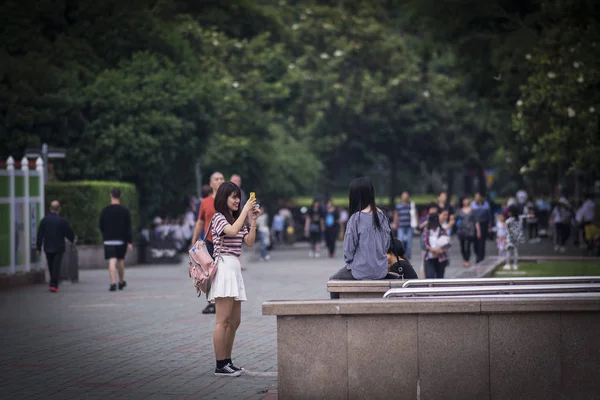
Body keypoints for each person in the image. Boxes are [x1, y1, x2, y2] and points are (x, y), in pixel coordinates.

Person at [208, 181, 258, 376]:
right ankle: (220, 364)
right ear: (224, 198)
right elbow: (230, 231)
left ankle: (227, 360)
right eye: (234, 197)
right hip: (224, 268)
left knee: (235, 321)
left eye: (239, 197)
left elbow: (250, 242)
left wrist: (252, 220)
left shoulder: (237, 219)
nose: (238, 200)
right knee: (223, 320)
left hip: (234, 269)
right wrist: (246, 210)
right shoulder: (219, 218)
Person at [329, 177, 394, 292]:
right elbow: (387, 245)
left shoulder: (356, 218)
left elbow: (348, 251)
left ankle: (338, 309)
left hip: (360, 270)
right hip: (381, 271)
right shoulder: (382, 216)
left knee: (333, 281)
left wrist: (353, 263)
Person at [191, 171, 225, 314]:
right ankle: (211, 302)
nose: (219, 181)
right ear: (211, 184)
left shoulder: (228, 200)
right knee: (208, 274)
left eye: (222, 179)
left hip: (224, 243)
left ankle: (223, 302)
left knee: (223, 273)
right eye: (216, 179)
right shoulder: (205, 202)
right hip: (209, 243)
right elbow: (200, 222)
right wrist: (194, 242)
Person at [36, 200, 75, 293]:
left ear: (50, 209)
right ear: (59, 209)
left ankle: (52, 283)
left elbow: (40, 234)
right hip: (59, 247)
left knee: (50, 265)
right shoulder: (62, 221)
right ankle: (54, 285)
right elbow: (69, 233)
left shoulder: (44, 221)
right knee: (56, 266)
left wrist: (38, 247)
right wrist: (72, 240)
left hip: (48, 246)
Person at [99, 188, 133, 292]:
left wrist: (105, 235)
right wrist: (129, 242)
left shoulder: (105, 211)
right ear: (120, 196)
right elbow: (128, 227)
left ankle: (113, 283)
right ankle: (121, 281)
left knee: (112, 261)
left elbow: (100, 225)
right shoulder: (125, 211)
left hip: (108, 240)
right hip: (121, 240)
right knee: (120, 260)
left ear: (111, 195)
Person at [421, 213, 451, 279]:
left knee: (440, 277)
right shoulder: (426, 230)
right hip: (429, 256)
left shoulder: (442, 230)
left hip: (441, 257)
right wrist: (432, 250)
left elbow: (448, 243)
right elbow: (424, 242)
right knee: (429, 276)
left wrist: (440, 250)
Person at [471, 192, 492, 263]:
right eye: (475, 196)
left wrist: (489, 225)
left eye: (478, 196)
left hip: (484, 224)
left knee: (482, 241)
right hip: (474, 224)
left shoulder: (486, 205)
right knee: (475, 241)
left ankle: (481, 257)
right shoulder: (473, 204)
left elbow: (489, 216)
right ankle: (477, 254)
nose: (477, 198)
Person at [392, 191, 414, 260]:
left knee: (408, 242)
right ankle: (401, 254)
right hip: (401, 226)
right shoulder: (399, 206)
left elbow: (414, 215)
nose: (405, 197)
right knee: (400, 240)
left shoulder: (411, 205)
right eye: (404, 196)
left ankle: (407, 255)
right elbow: (396, 215)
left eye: (406, 195)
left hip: (409, 226)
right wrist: (395, 223)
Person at [456, 197, 477, 267]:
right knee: (462, 246)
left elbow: (476, 220)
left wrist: (477, 230)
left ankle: (467, 260)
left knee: (467, 245)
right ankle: (464, 259)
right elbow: (454, 218)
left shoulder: (472, 210)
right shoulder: (459, 210)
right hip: (462, 230)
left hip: (470, 229)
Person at [505, 205, 526, 270]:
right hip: (517, 237)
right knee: (515, 250)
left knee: (508, 250)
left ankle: (508, 264)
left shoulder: (509, 221)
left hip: (510, 237)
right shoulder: (520, 218)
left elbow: (507, 228)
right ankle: (515, 264)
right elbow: (527, 216)